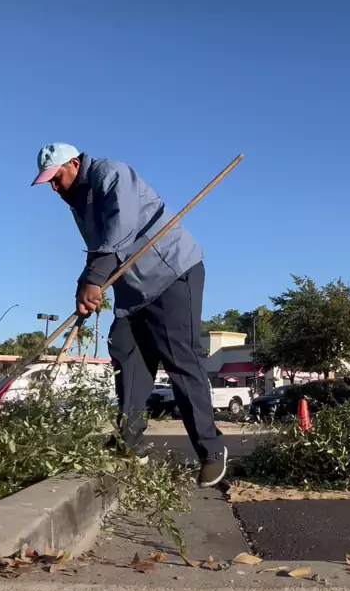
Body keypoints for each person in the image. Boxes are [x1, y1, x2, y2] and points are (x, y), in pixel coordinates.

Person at [31, 143, 227, 487]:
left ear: (74, 163)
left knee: (179, 357)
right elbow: (98, 249)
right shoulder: (78, 202)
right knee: (125, 349)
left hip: (170, 273)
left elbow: (119, 231)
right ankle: (129, 442)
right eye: (49, 182)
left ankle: (211, 450)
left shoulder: (111, 175)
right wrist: (85, 283)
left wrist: (94, 279)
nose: (54, 187)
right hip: (134, 289)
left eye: (56, 178)